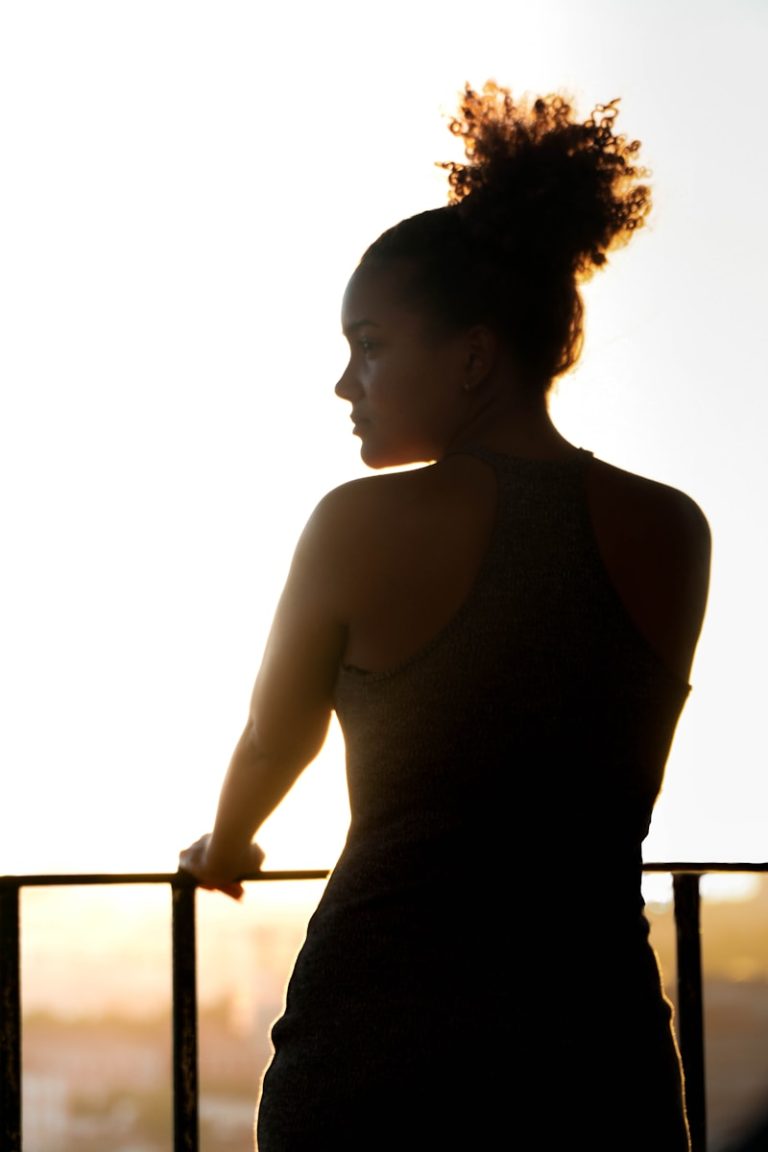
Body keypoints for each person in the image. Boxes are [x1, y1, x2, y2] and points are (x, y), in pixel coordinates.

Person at [179, 82, 711, 1151]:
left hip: (383, 1051)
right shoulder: (675, 530)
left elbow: (275, 738)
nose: (345, 383)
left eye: (370, 344)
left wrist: (225, 845)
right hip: (598, 1058)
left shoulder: (356, 524)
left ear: (472, 356)